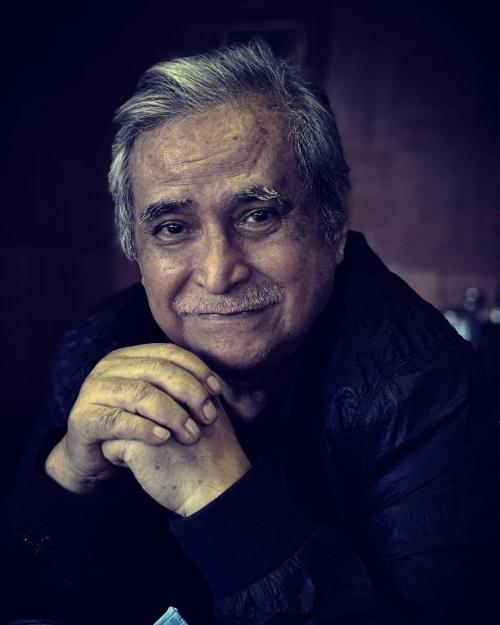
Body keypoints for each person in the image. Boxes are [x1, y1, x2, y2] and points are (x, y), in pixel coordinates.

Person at [7, 41, 500, 625]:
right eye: (172, 228)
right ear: (137, 250)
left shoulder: (434, 395)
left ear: (332, 227)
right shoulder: (89, 351)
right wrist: (67, 477)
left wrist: (224, 504)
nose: (218, 273)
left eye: (259, 216)